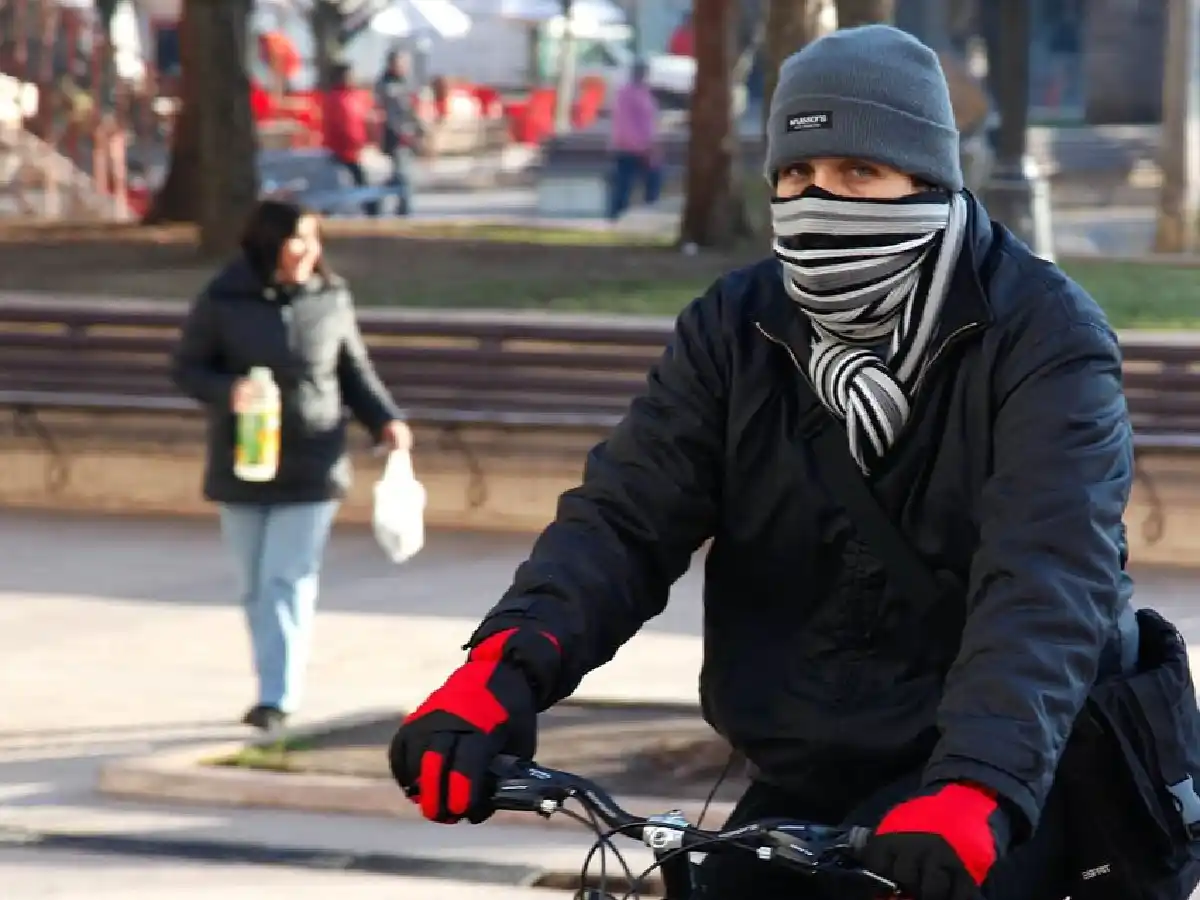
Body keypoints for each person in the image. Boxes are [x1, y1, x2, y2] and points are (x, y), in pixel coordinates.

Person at [387, 26, 1151, 900]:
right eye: (796, 175)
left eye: (857, 174)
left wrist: (977, 781)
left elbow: (1048, 576)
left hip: (993, 776)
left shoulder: (1043, 335)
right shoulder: (737, 325)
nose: (818, 201)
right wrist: (499, 673)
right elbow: (624, 520)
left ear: (929, 181)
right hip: (805, 770)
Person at [172, 200, 409, 731]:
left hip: (313, 459)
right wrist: (227, 390)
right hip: (244, 460)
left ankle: (276, 697)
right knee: (255, 585)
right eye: (297, 241)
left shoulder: (331, 298)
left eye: (313, 241)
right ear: (269, 243)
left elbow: (354, 372)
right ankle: (272, 681)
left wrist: (386, 421)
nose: (308, 252)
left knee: (286, 578)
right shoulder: (223, 298)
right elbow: (187, 368)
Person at [607, 60, 662, 221]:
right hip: (627, 148)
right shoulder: (625, 94)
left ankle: (648, 214)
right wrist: (640, 146)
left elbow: (649, 121)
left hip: (646, 148)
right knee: (624, 184)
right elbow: (624, 124)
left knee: (654, 180)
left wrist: (653, 143)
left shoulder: (644, 92)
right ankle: (616, 217)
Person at [374, 49, 423, 217]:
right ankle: (404, 211)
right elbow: (390, 112)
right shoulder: (386, 84)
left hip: (409, 135)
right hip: (395, 135)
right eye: (401, 62)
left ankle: (375, 198)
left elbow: (412, 110)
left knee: (399, 175)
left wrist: (419, 130)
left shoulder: (406, 83)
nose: (405, 66)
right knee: (404, 176)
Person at [321, 64, 374, 216]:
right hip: (341, 149)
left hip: (353, 149)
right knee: (347, 181)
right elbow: (340, 125)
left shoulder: (354, 97)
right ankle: (369, 210)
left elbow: (360, 120)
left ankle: (370, 210)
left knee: (357, 181)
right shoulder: (336, 98)